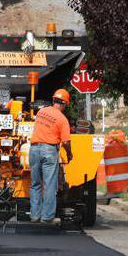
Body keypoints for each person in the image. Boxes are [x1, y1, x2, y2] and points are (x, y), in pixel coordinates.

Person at [29, 89, 73, 225]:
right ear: (64, 104)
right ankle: (47, 217)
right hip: (49, 150)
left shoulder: (41, 112)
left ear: (54, 100)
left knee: (35, 184)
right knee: (49, 185)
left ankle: (35, 215)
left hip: (34, 149)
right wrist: (69, 154)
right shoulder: (62, 119)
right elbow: (66, 141)